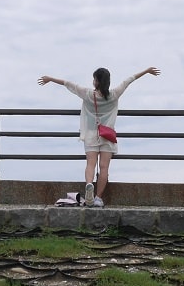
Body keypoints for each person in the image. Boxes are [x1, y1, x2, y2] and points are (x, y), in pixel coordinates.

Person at [37, 66, 161, 206]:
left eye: (94, 79)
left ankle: (89, 184)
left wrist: (50, 79)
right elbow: (129, 80)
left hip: (91, 135)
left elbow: (68, 83)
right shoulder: (114, 94)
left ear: (96, 81)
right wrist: (146, 71)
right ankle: (98, 198)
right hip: (107, 136)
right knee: (104, 168)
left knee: (91, 164)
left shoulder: (88, 94)